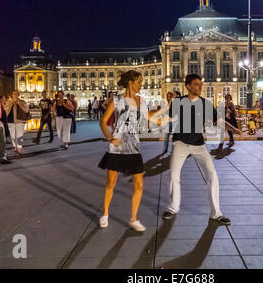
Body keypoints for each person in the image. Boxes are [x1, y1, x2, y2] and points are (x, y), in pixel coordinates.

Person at [161, 74, 241, 225]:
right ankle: (173, 207)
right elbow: (169, 119)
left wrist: (234, 129)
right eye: (197, 84)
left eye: (201, 84)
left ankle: (216, 213)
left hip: (198, 143)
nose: (200, 87)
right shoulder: (178, 102)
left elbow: (219, 121)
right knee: (173, 175)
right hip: (181, 142)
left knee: (212, 175)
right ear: (188, 86)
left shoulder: (205, 103)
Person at [98, 70, 155, 232]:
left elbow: (150, 117)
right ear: (131, 82)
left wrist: (167, 113)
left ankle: (134, 218)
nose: (141, 84)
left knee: (139, 184)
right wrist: (109, 137)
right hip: (116, 146)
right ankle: (105, 214)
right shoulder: (116, 100)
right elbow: (103, 121)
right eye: (139, 82)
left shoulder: (141, 101)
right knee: (111, 183)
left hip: (134, 146)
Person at [4, 90, 30, 155]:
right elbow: (5, 109)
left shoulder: (22, 102)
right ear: (12, 95)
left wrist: (19, 103)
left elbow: (26, 110)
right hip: (10, 121)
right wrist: (11, 103)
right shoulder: (9, 102)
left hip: (19, 121)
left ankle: (19, 149)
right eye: (14, 94)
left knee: (19, 136)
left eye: (16, 94)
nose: (15, 95)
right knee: (13, 136)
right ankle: (15, 148)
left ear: (19, 95)